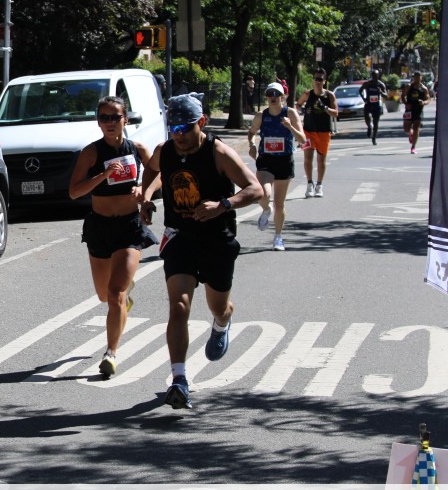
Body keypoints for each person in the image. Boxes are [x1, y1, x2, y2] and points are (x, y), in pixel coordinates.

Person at [140, 93, 263, 410]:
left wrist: (222, 205)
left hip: (216, 239)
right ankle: (179, 380)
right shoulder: (165, 150)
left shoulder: (218, 152)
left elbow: (255, 189)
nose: (178, 135)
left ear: (202, 123)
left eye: (185, 127)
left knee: (217, 305)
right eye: (173, 128)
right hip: (180, 237)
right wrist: (146, 196)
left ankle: (222, 322)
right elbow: (151, 169)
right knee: (179, 306)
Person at [68, 95, 159, 377]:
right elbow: (74, 192)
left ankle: (111, 353)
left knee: (115, 292)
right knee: (103, 295)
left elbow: (159, 173)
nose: (109, 122)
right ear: (98, 122)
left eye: (114, 117)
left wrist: (144, 191)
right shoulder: (91, 153)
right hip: (100, 226)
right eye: (103, 118)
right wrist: (103, 174)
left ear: (125, 120)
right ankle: (122, 299)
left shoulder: (138, 149)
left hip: (129, 227)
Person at [247, 81, 306, 251]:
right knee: (263, 194)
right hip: (266, 160)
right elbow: (251, 132)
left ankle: (278, 237)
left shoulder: (290, 113)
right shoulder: (261, 116)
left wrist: (290, 127)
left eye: (276, 94)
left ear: (282, 97)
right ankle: (266, 210)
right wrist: (252, 144)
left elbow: (302, 139)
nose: (272, 97)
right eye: (269, 94)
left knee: (279, 204)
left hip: (284, 161)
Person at [296, 69, 337, 198]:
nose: (317, 81)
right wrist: (304, 110)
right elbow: (298, 105)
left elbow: (335, 113)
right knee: (307, 158)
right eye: (316, 79)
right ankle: (309, 183)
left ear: (324, 81)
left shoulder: (329, 95)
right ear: (313, 80)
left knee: (321, 159)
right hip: (308, 131)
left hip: (324, 132)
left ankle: (319, 185)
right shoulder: (308, 94)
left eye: (320, 79)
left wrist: (325, 108)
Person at [401, 72, 431, 154]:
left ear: (421, 77)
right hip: (409, 110)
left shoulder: (424, 88)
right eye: (415, 76)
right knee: (406, 129)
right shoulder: (409, 86)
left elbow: (428, 99)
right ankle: (411, 134)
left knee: (416, 128)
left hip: (418, 110)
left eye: (419, 77)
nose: (417, 78)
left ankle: (413, 147)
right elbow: (403, 96)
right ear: (413, 77)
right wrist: (406, 104)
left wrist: (423, 102)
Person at [358, 70, 387, 145]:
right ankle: (369, 126)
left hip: (377, 105)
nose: (375, 78)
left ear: (378, 76)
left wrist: (381, 92)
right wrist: (363, 98)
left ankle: (374, 138)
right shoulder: (367, 83)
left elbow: (386, 95)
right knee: (367, 117)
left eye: (376, 76)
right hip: (368, 103)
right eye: (373, 76)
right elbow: (360, 90)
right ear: (372, 76)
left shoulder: (381, 84)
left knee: (376, 122)